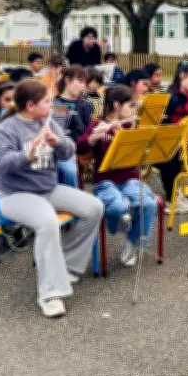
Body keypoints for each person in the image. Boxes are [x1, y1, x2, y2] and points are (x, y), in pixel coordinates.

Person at [0, 79, 103, 318]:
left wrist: (58, 142)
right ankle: (50, 294)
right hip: (15, 194)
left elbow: (70, 150)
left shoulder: (47, 121)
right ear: (30, 105)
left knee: (94, 207)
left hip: (48, 189)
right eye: (47, 102)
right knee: (48, 222)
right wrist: (27, 155)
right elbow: (2, 164)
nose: (51, 107)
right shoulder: (7, 128)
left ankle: (68, 265)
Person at [77, 85, 157, 267]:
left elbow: (142, 153)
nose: (135, 110)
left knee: (148, 203)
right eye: (131, 106)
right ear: (116, 105)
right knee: (118, 207)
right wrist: (94, 137)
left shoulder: (132, 126)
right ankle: (117, 224)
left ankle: (133, 241)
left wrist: (138, 139)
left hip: (130, 179)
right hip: (105, 182)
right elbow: (80, 147)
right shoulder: (97, 125)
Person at [157, 64, 188, 214]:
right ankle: (172, 198)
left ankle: (180, 193)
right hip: (166, 140)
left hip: (185, 140)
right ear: (182, 76)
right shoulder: (169, 97)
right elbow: (161, 123)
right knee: (169, 158)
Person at [54, 66, 93, 186]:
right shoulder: (55, 104)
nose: (83, 86)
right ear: (67, 80)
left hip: (81, 151)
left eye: (85, 83)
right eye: (80, 81)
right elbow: (58, 133)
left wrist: (86, 154)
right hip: (62, 152)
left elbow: (88, 130)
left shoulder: (86, 105)